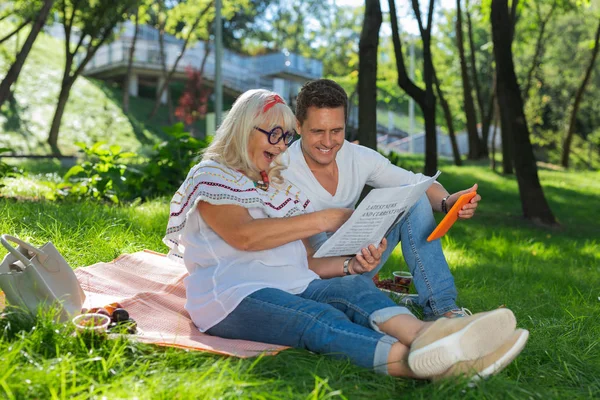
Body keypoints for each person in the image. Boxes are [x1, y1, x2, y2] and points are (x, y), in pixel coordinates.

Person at [163, 89, 528, 379]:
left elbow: (307, 262)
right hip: (234, 296)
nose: (278, 145)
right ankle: (436, 367)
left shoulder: (274, 184)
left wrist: (352, 265)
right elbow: (245, 237)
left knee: (356, 289)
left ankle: (435, 335)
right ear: (243, 129)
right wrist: (325, 219)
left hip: (296, 282)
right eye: (273, 134)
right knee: (318, 321)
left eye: (283, 136)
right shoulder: (212, 174)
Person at [283, 79, 478, 321]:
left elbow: (417, 183)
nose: (328, 141)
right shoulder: (281, 168)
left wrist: (449, 202)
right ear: (298, 126)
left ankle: (442, 308)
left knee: (414, 198)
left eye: (336, 131)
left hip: (359, 262)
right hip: (310, 276)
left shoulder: (357, 157)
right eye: (317, 131)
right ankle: (374, 297)